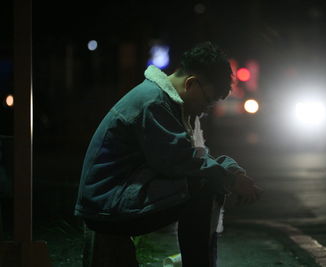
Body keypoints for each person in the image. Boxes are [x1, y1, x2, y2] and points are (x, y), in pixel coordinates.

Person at [74, 41, 263, 267]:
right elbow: (181, 163)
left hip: (117, 197)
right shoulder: (154, 103)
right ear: (192, 84)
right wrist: (230, 179)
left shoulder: (166, 101)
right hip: (107, 206)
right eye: (207, 101)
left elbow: (194, 157)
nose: (205, 111)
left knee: (210, 175)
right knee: (205, 183)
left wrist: (232, 171)